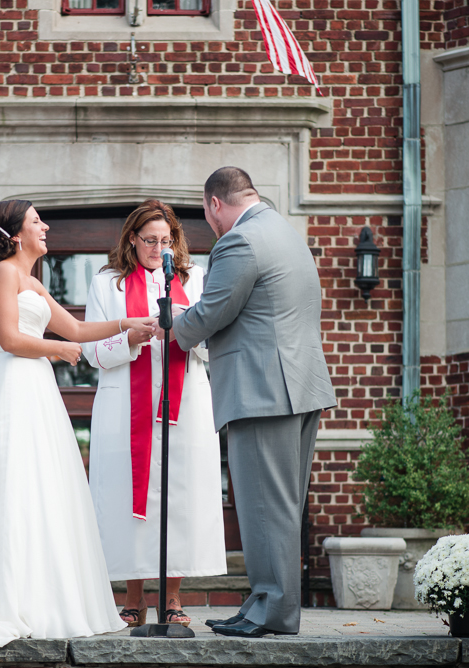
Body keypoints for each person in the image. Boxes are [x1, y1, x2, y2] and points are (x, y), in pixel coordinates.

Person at [0, 200, 154, 668]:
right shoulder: (3, 274)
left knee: (45, 488)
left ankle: (46, 594)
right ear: (15, 235)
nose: (46, 227)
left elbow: (78, 328)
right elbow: (9, 338)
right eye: (38, 221)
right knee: (10, 485)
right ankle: (4, 595)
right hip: (13, 388)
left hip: (38, 391)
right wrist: (57, 350)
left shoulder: (34, 282)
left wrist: (128, 326)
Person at [156, 167, 336, 638]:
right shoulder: (285, 232)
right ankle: (262, 601)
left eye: (206, 213)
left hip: (263, 390)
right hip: (297, 386)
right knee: (281, 503)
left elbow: (213, 311)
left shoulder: (238, 241)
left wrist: (172, 324)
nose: (210, 223)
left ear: (216, 203)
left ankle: (272, 609)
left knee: (263, 504)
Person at [82, 200, 226, 628]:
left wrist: (181, 328)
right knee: (126, 496)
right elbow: (91, 351)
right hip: (125, 402)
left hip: (186, 404)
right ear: (132, 239)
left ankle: (174, 598)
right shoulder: (107, 283)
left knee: (179, 494)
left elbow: (211, 346)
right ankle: (133, 597)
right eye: (150, 240)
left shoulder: (193, 278)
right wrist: (131, 335)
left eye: (166, 240)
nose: (158, 247)